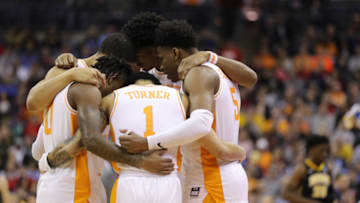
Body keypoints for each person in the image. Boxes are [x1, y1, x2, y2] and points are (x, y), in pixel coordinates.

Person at [120, 20, 249, 203]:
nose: (161, 66)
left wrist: (147, 143)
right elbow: (251, 77)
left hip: (213, 177)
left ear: (174, 53)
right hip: (209, 174)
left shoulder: (197, 74)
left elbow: (200, 124)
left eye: (161, 58)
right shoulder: (218, 70)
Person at [33, 54, 174, 203]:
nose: (116, 98)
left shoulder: (57, 97)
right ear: (111, 78)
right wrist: (142, 162)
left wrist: (46, 162)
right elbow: (89, 140)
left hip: (49, 185)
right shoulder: (89, 93)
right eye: (118, 90)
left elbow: (37, 151)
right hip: (74, 188)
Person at [99, 72, 246, 203]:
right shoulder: (181, 98)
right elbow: (218, 147)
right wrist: (241, 152)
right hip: (168, 180)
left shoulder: (112, 98)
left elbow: (91, 140)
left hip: (129, 180)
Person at [282, 135, 336, 203]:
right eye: (321, 151)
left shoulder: (327, 170)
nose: (325, 154)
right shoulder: (303, 169)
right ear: (311, 150)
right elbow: (286, 194)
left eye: (327, 150)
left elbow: (331, 193)